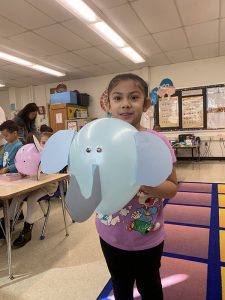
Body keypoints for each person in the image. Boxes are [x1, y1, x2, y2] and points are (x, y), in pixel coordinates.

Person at [95, 73, 178, 300]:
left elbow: (172, 187)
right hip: (109, 233)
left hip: (146, 234)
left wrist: (142, 181)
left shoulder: (157, 142)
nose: (125, 104)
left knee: (149, 286)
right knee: (120, 286)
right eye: (118, 98)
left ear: (146, 103)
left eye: (133, 97)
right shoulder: (99, 141)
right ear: (108, 103)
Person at [0, 132, 58, 247]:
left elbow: (53, 176)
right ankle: (7, 224)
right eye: (43, 142)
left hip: (48, 186)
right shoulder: (35, 153)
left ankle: (27, 230)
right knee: (17, 196)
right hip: (32, 184)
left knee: (32, 199)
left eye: (48, 143)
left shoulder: (54, 156)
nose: (44, 145)